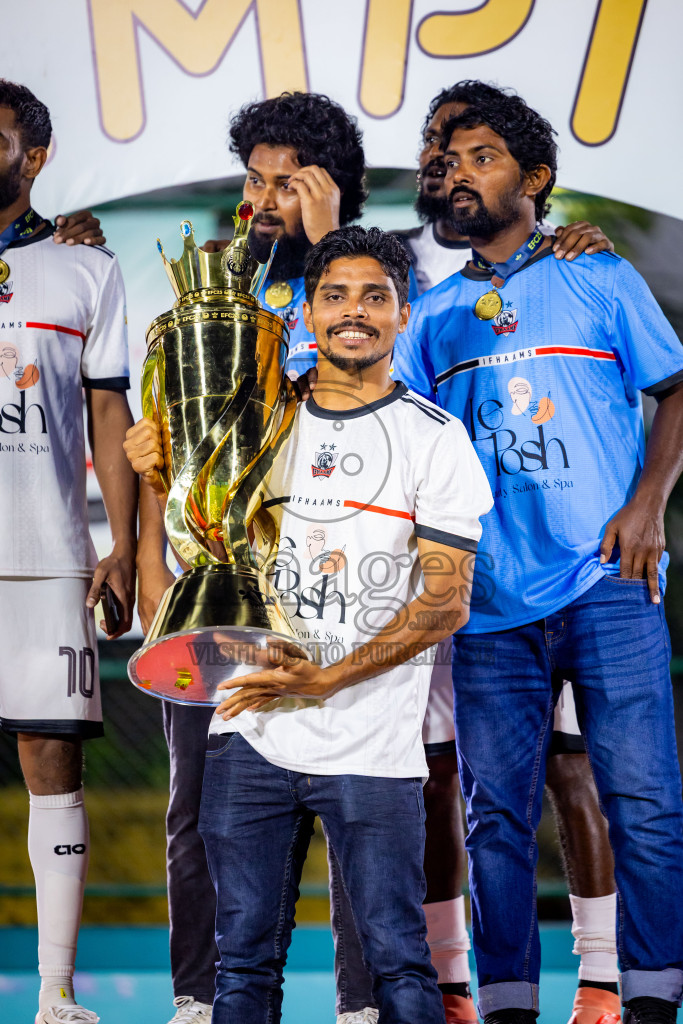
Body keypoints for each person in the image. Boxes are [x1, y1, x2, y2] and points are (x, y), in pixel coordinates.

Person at [125, 223, 493, 1024]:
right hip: (251, 733)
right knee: (244, 966)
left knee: (399, 963)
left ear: (404, 313)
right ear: (304, 315)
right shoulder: (253, 423)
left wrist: (326, 677)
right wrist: (160, 469)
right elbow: (205, 541)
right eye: (334, 295)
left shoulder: (436, 440)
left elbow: (445, 601)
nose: (352, 312)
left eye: (374, 297)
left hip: (373, 747)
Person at [391, 90, 683, 1024]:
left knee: (643, 805)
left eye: (482, 156)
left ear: (536, 181)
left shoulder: (599, 276)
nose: (459, 172)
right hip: (486, 604)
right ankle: (508, 1004)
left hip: (609, 581)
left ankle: (649, 1000)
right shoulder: (431, 316)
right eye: (448, 158)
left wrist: (646, 506)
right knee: (495, 822)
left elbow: (675, 391)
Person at [134, 91, 374, 1024]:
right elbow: (177, 440)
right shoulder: (212, 292)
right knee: (197, 810)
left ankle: (361, 1002)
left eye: (286, 182)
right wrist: (149, 460)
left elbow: (379, 388)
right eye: (254, 179)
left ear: (329, 188)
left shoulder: (368, 281)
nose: (261, 198)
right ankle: (199, 997)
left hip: (333, 591)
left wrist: (328, 241)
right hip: (217, 599)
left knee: (350, 806)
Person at [0, 80, 137, 1024]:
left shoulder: (84, 266)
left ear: (33, 156)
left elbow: (107, 411)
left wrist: (124, 544)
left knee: (52, 760)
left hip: (45, 553)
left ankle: (56, 993)